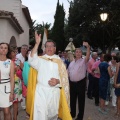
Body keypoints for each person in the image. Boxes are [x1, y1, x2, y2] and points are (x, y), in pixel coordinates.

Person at [27, 31, 71, 120]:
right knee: (40, 116)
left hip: (54, 93)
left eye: (51, 46)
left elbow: (65, 79)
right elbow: (31, 60)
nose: (49, 48)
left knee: (53, 116)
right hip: (41, 93)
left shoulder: (60, 62)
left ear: (55, 48)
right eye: (47, 46)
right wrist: (37, 44)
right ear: (44, 48)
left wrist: (57, 81)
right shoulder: (40, 60)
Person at [68, 42, 90, 120]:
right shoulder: (71, 63)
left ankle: (80, 116)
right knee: (72, 100)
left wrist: (88, 47)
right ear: (74, 53)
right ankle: (72, 114)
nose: (78, 53)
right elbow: (68, 73)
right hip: (72, 84)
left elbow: (87, 55)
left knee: (81, 101)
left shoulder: (84, 61)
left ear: (81, 53)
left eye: (79, 52)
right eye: (76, 52)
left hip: (80, 84)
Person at [0, 43, 14, 120]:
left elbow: (12, 78)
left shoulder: (10, 62)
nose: (3, 49)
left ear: (8, 50)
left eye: (5, 48)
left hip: (6, 88)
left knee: (6, 111)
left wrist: (12, 92)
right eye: (1, 47)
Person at [9, 48, 22, 120]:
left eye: (14, 52)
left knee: (15, 102)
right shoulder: (7, 61)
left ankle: (15, 118)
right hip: (9, 83)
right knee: (9, 102)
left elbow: (17, 69)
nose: (12, 53)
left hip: (16, 83)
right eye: (11, 52)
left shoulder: (17, 60)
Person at [16, 44, 28, 110]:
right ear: (21, 49)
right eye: (23, 48)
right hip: (19, 75)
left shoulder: (27, 57)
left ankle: (24, 105)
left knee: (24, 90)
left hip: (25, 75)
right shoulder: (18, 56)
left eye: (26, 48)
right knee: (20, 89)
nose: (24, 50)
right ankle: (22, 105)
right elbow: (18, 67)